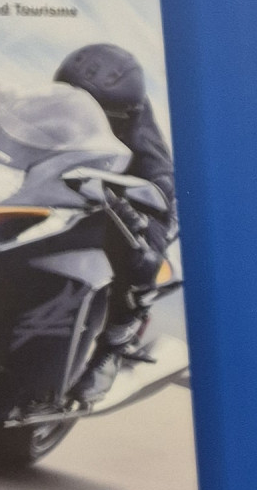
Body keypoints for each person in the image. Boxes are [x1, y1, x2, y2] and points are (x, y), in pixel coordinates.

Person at [51, 42, 176, 401]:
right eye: (70, 97)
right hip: (61, 188)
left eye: (91, 108)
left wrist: (136, 209)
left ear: (120, 114)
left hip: (128, 202)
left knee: (143, 259)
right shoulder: (52, 103)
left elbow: (161, 186)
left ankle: (114, 346)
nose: (78, 111)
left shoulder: (138, 133)